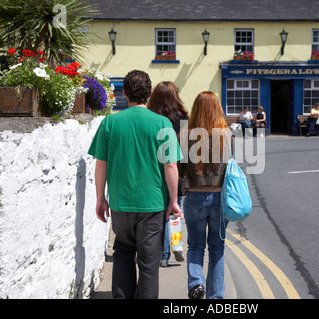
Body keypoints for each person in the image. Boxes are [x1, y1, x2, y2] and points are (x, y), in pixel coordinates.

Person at [88, 70, 183, 299]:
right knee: (149, 263)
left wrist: (100, 198)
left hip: (121, 203)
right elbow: (170, 166)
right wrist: (173, 201)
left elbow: (101, 165)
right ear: (149, 93)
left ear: (124, 92)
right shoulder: (162, 123)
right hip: (152, 204)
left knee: (122, 254)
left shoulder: (110, 122)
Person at [179, 91, 232, 299]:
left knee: (195, 246)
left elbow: (181, 168)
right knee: (217, 249)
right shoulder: (226, 134)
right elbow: (231, 167)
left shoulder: (185, 134)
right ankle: (215, 297)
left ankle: (196, 284)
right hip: (220, 198)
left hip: (194, 198)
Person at [147, 81, 189, 267]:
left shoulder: (150, 118)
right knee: (175, 211)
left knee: (158, 216)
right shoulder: (183, 119)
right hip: (177, 173)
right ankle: (176, 244)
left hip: (154, 173)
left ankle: (162, 255)